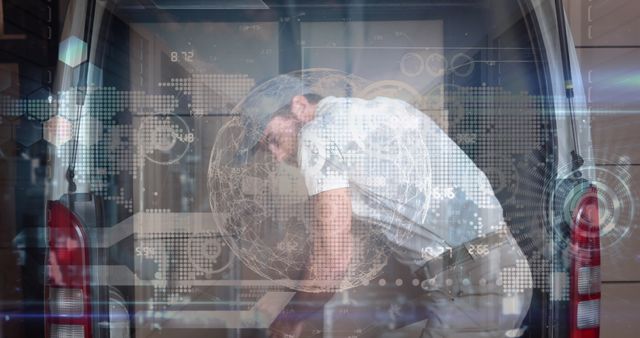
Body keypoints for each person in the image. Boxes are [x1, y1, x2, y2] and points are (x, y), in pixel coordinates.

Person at [236, 76, 532, 338]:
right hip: (500, 270)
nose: (275, 156)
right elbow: (337, 242)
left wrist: (288, 322)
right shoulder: (386, 109)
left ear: (299, 106)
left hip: (473, 287)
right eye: (267, 149)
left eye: (273, 140)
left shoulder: (317, 135)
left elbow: (332, 259)